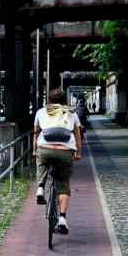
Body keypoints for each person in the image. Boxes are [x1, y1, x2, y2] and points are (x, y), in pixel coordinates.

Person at [34, 88, 83, 235]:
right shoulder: (72, 113)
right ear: (64, 101)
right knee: (63, 183)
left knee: (41, 163)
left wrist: (35, 150)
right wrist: (79, 152)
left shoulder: (41, 112)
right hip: (65, 152)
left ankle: (41, 187)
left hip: (45, 148)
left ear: (49, 100)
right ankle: (62, 219)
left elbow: (36, 134)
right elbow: (78, 136)